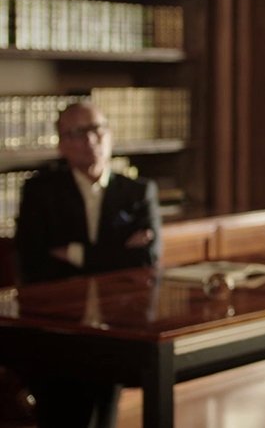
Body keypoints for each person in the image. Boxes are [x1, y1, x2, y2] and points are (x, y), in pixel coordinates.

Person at [14, 100, 162, 428]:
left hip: (117, 323)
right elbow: (34, 261)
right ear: (61, 144)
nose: (91, 140)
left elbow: (146, 259)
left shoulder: (138, 192)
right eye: (78, 133)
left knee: (105, 413)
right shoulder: (40, 192)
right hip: (57, 325)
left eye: (97, 129)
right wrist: (116, 254)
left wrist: (75, 254)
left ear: (110, 134)